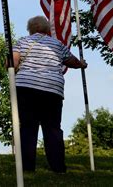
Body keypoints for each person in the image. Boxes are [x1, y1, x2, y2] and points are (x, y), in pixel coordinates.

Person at [13, 16, 87, 173]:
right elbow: (71, 61)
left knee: (27, 127)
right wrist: (81, 64)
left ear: (31, 29)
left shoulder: (23, 41)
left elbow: (12, 62)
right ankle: (58, 167)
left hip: (26, 87)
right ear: (47, 29)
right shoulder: (57, 44)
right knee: (52, 128)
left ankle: (27, 168)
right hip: (52, 89)